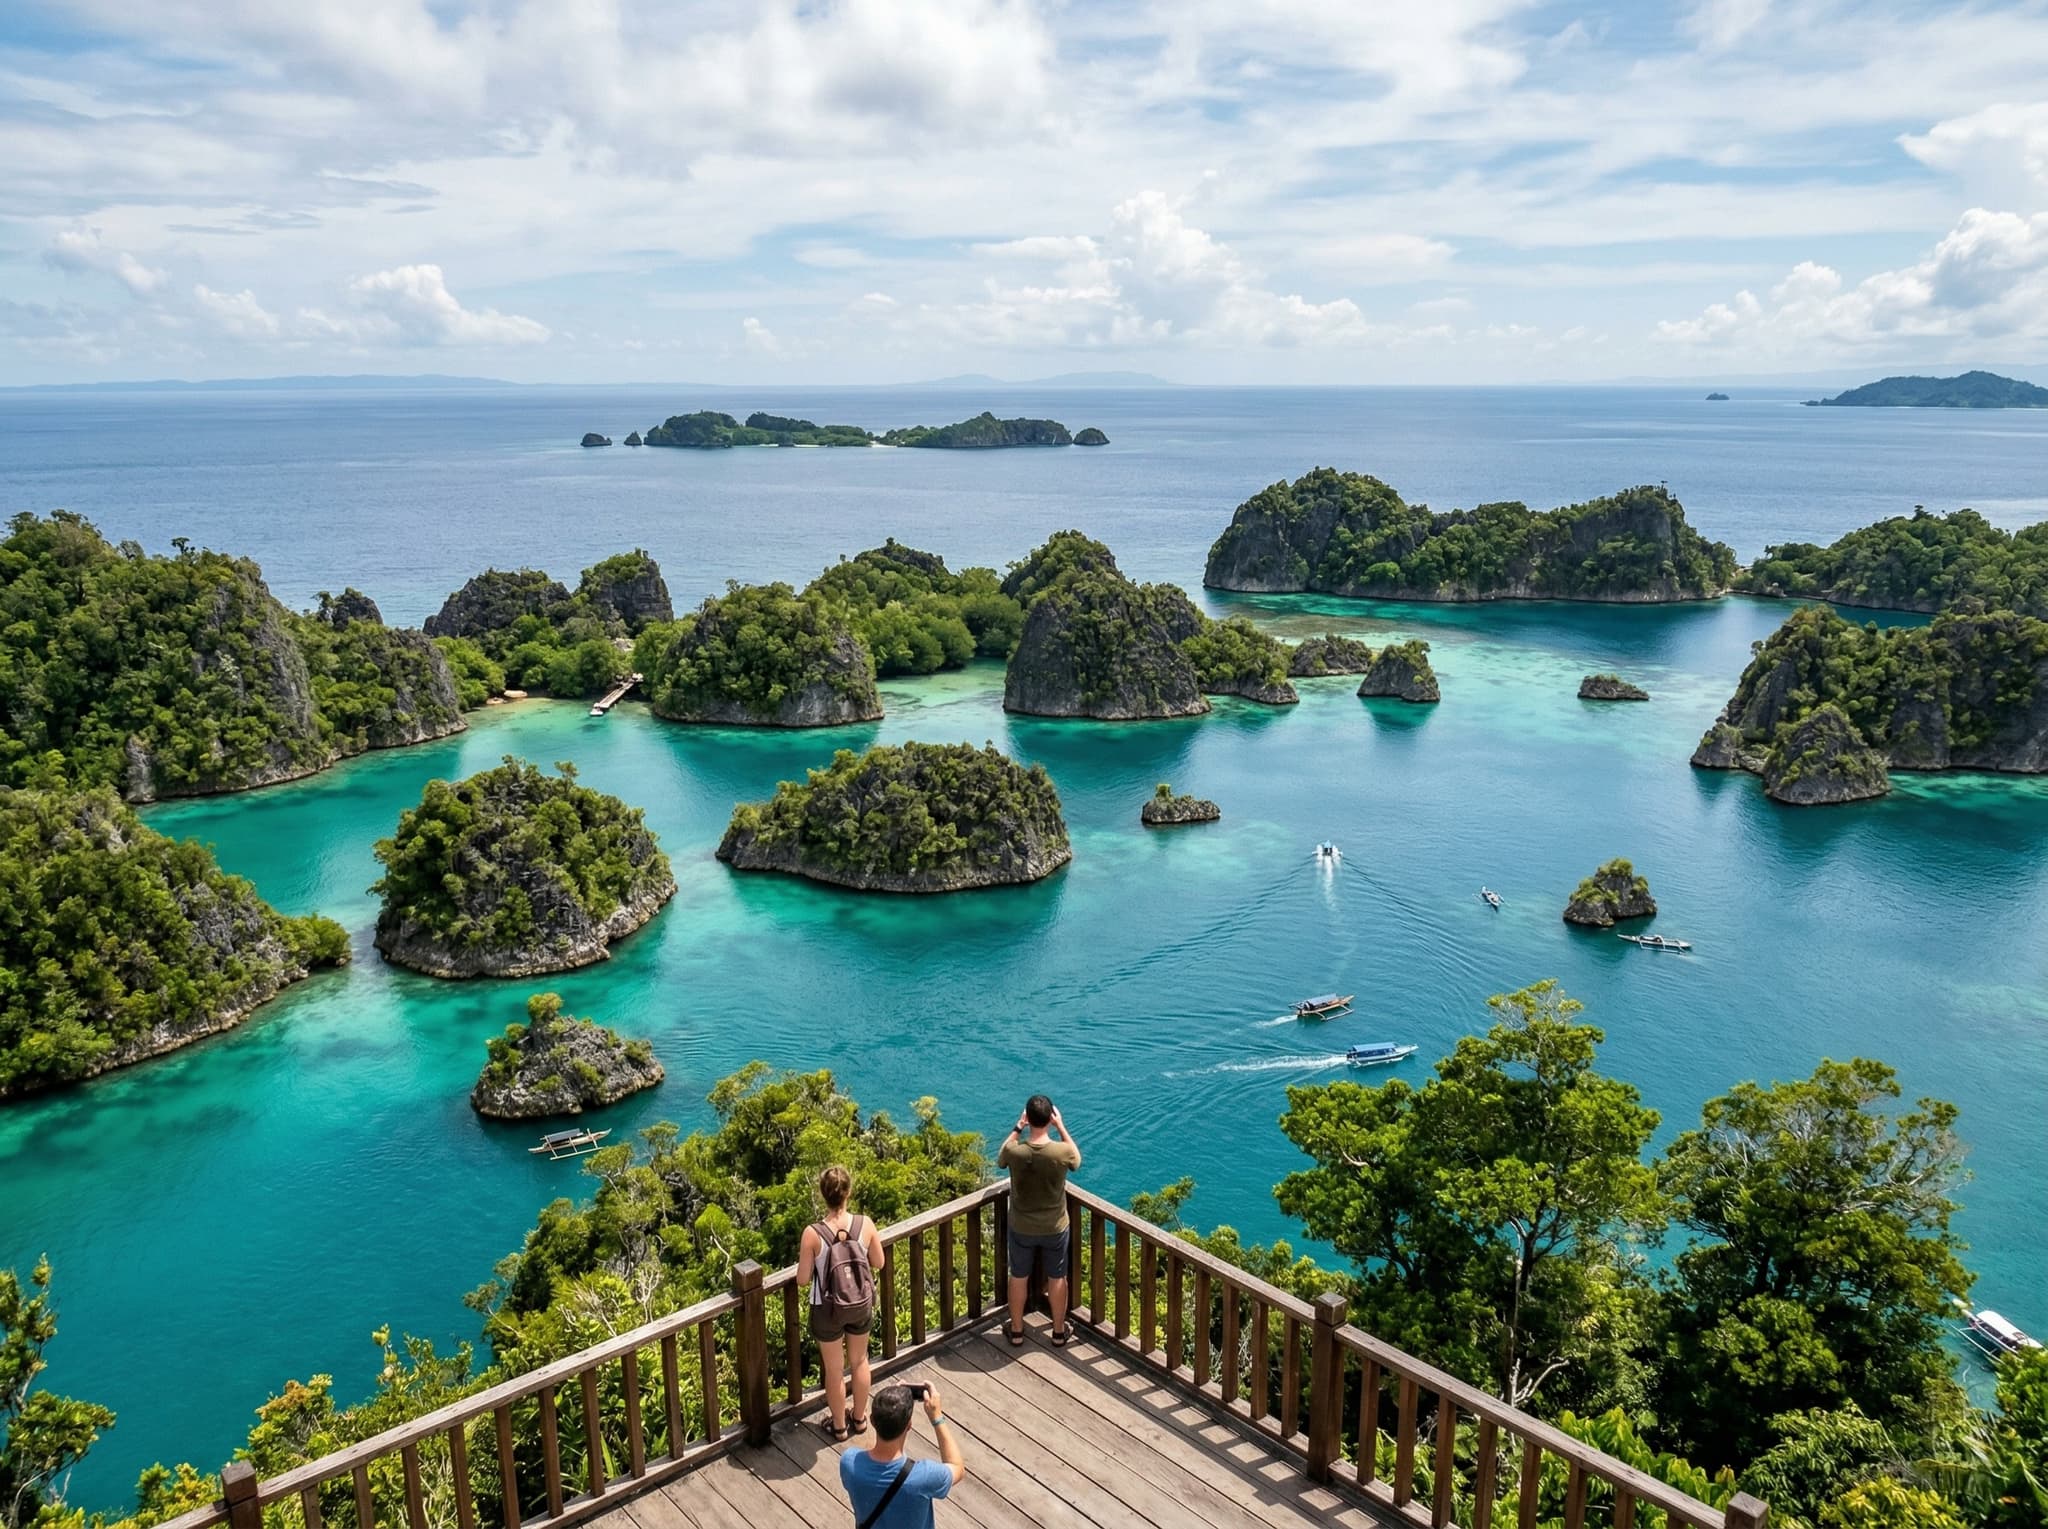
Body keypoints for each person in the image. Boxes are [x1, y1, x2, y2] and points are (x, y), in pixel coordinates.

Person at [797, 1164, 886, 1440]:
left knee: (834, 1370)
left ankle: (838, 1426)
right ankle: (859, 1420)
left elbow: (802, 1279)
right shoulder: (865, 1224)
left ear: (823, 1194)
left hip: (827, 1308)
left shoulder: (813, 1233)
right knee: (860, 1362)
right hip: (860, 1302)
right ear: (848, 1192)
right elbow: (879, 1263)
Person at [997, 1094, 1082, 1346]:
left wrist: (1017, 1127)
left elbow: (1001, 1157)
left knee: (1018, 1276)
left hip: (1021, 1226)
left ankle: (1016, 1331)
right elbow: (1076, 1159)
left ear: (1027, 1117)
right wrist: (1061, 1127)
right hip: (1054, 1226)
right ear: (1050, 1118)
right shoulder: (1061, 1152)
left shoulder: (1016, 1151)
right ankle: (1057, 1332)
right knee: (1057, 1277)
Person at [840, 1381, 965, 1529]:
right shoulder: (924, 1476)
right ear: (909, 1425)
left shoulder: (849, 1462)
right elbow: (957, 1467)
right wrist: (937, 1418)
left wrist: (892, 1400)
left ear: (872, 1421)